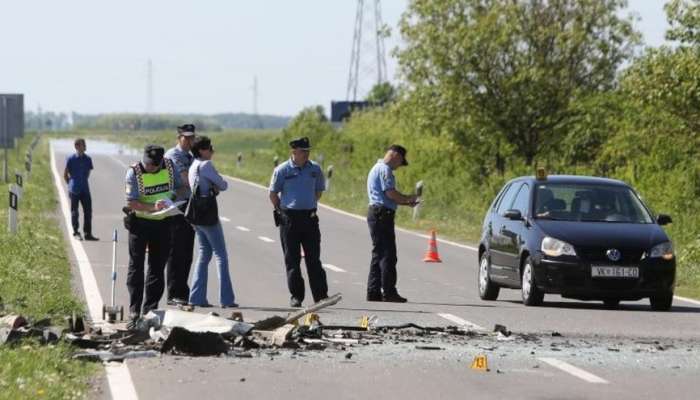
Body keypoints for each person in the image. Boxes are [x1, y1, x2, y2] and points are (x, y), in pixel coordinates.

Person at [124, 144, 184, 327]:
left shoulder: (170, 166)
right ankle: (134, 311)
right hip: (140, 223)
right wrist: (152, 208)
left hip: (163, 223)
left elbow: (181, 188)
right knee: (136, 266)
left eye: (155, 165)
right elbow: (132, 202)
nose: (151, 167)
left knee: (157, 268)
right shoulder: (133, 173)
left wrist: (170, 199)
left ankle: (150, 310)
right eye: (149, 164)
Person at [269, 137, 328, 308]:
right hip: (289, 219)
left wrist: (308, 204)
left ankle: (320, 295)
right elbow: (273, 194)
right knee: (292, 260)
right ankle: (296, 296)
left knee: (314, 259)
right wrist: (283, 211)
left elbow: (318, 191)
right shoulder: (282, 170)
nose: (306, 154)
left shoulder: (315, 169)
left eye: (308, 151)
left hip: (309, 218)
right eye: (303, 151)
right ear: (293, 152)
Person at [187, 136, 237, 308]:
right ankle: (227, 299)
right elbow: (223, 185)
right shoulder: (205, 165)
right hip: (208, 214)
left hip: (196, 214)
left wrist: (212, 187)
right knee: (221, 255)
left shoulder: (193, 165)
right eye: (209, 148)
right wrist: (215, 187)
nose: (212, 151)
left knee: (204, 254)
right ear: (201, 150)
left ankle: (196, 297)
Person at [366, 145, 418, 303]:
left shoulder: (377, 168)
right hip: (382, 215)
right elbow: (391, 193)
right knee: (388, 255)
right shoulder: (385, 170)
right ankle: (389, 292)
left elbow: (387, 197)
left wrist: (404, 203)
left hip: (378, 213)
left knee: (379, 254)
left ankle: (373, 291)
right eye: (400, 162)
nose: (398, 167)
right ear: (395, 155)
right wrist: (408, 198)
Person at [164, 124, 196, 306]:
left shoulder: (190, 157)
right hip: (176, 207)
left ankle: (182, 291)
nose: (190, 141)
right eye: (186, 138)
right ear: (179, 137)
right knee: (176, 251)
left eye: (192, 138)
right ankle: (173, 292)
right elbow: (186, 180)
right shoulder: (173, 155)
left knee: (187, 252)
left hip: (188, 206)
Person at [63, 138, 98, 241]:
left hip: (85, 189)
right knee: (75, 212)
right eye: (82, 145)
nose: (84, 146)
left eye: (84, 144)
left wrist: (81, 182)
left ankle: (88, 234)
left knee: (88, 212)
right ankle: (76, 232)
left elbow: (87, 174)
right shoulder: (70, 159)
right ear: (77, 146)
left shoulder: (88, 159)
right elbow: (65, 174)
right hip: (74, 190)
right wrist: (70, 184)